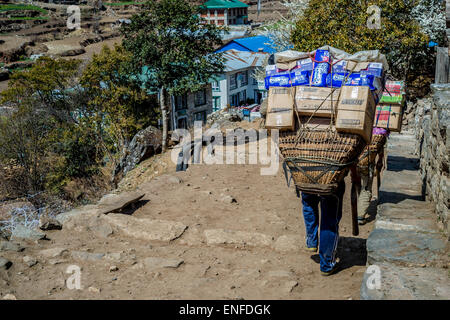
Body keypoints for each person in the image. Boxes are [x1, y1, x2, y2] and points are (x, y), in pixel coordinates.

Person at [301, 179, 345, 276]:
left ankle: (311, 242)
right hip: (329, 177)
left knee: (308, 198)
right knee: (329, 218)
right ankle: (327, 264)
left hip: (304, 172)